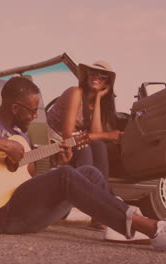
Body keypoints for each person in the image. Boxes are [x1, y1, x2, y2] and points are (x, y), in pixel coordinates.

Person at [0, 76, 166, 251]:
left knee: (87, 172)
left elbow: (25, 178)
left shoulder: (20, 136)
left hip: (17, 209)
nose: (36, 116)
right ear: (14, 108)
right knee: (67, 175)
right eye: (32, 111)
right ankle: (153, 229)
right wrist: (4, 146)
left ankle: (116, 227)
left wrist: (59, 158)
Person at [46, 60, 120, 230]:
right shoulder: (75, 93)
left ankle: (97, 215)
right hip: (53, 139)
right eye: (93, 73)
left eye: (102, 76)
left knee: (99, 145)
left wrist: (99, 98)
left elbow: (95, 133)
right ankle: (96, 205)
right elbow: (67, 134)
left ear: (107, 83)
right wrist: (107, 135)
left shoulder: (95, 103)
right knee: (85, 145)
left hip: (75, 140)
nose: (96, 77)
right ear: (86, 76)